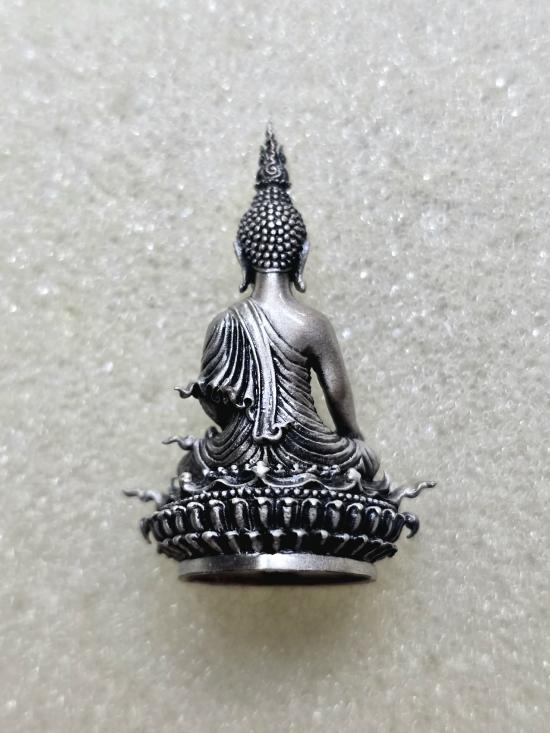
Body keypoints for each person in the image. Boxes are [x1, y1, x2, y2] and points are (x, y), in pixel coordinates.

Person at [175, 126, 380, 489]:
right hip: (308, 451)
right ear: (302, 254)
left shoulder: (224, 322)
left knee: (193, 464)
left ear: (241, 254)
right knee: (363, 461)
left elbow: (215, 401)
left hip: (238, 453)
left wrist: (242, 433)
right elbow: (337, 393)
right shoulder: (312, 323)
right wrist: (353, 436)